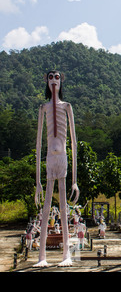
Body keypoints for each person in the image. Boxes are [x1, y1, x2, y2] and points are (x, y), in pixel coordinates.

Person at [34, 71, 79, 267]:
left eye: (57, 77)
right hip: (50, 160)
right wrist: (37, 182)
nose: (54, 81)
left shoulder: (67, 107)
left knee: (63, 207)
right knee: (45, 209)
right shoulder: (43, 108)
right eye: (51, 78)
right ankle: (41, 256)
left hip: (62, 157)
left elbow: (74, 143)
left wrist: (75, 180)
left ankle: (66, 254)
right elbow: (38, 144)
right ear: (46, 80)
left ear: (62, 80)